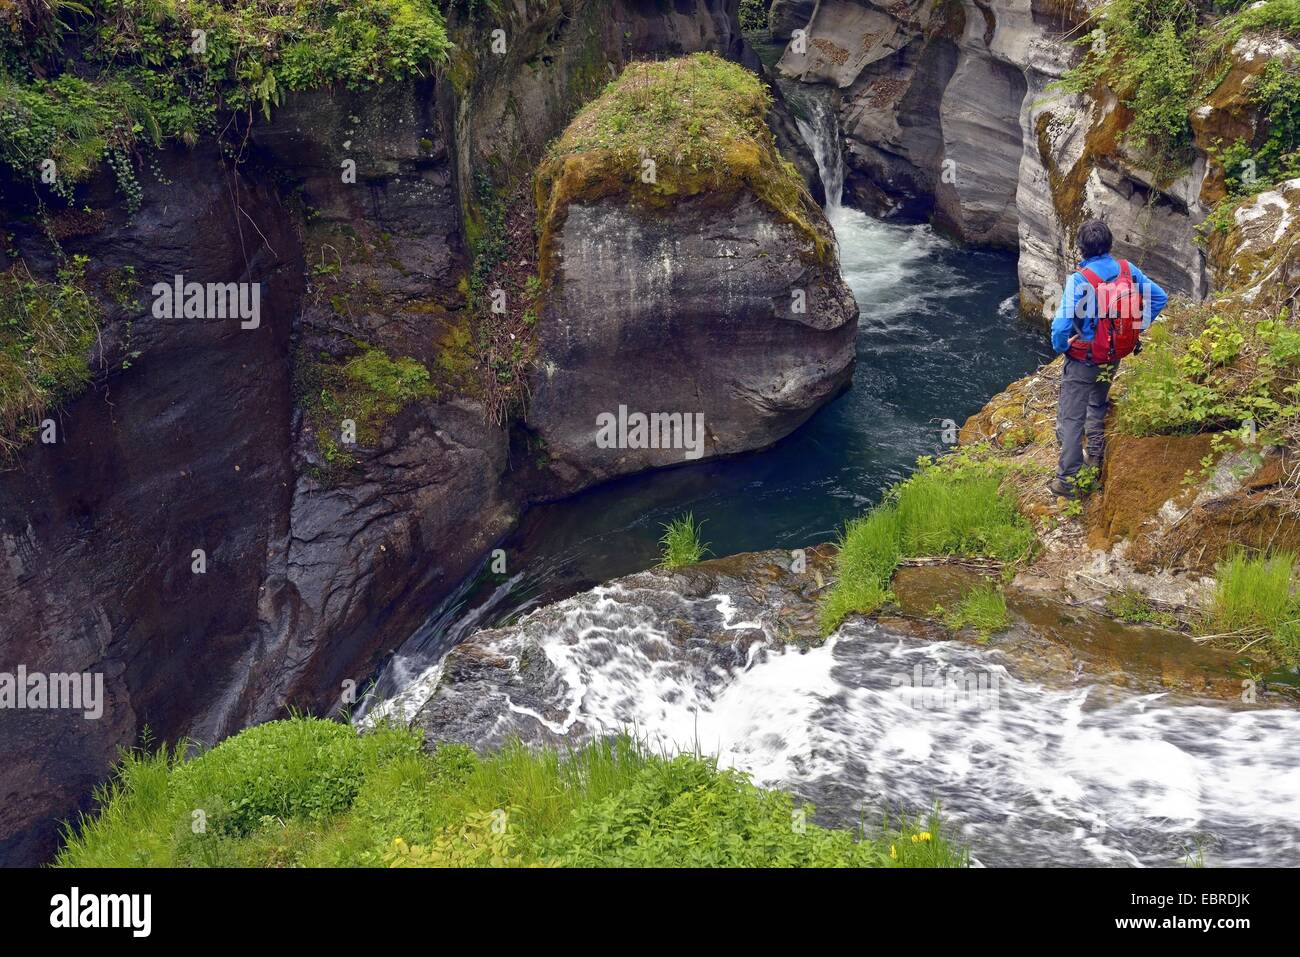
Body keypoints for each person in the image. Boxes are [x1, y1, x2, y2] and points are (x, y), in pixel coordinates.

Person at [1049, 220, 1168, 498]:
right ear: (1110, 244)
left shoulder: (1080, 279)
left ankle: (1068, 481)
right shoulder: (1127, 270)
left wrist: (1060, 346)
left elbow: (1060, 326)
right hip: (1113, 354)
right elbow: (1159, 297)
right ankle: (1096, 456)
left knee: (1070, 418)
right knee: (1098, 403)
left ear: (1081, 248)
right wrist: (1137, 327)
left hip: (1083, 359)